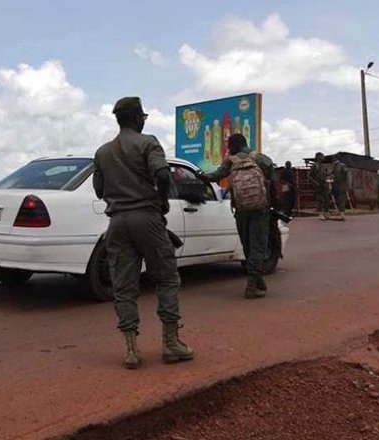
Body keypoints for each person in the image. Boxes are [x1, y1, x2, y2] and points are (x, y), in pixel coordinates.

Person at [93, 96, 194, 370]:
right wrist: (161, 201)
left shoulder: (102, 152)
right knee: (167, 278)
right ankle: (171, 344)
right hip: (147, 219)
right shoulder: (148, 142)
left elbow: (99, 190)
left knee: (124, 287)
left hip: (117, 223)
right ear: (139, 119)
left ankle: (131, 350)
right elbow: (162, 174)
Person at [196, 134, 275, 299]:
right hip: (261, 208)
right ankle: (254, 283)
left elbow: (213, 177)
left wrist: (199, 174)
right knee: (258, 246)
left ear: (234, 146)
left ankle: (255, 281)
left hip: (241, 209)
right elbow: (272, 180)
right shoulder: (261, 159)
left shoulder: (230, 162)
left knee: (247, 245)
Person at [308, 152, 330, 220]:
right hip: (318, 185)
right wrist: (315, 183)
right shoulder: (315, 166)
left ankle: (326, 212)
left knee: (327, 199)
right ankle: (320, 214)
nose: (323, 157)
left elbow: (325, 175)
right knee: (319, 200)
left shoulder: (323, 166)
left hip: (324, 185)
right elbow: (309, 176)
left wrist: (328, 176)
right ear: (318, 157)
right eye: (322, 156)